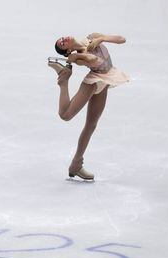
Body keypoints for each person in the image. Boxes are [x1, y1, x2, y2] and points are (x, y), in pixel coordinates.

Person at [52, 33, 129, 180]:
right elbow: (94, 60)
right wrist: (82, 55)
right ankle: (63, 79)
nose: (63, 40)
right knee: (66, 115)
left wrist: (102, 38)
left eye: (62, 38)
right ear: (68, 51)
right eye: (62, 44)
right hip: (93, 83)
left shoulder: (93, 36)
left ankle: (76, 164)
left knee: (91, 125)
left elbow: (121, 39)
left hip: (105, 81)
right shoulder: (77, 57)